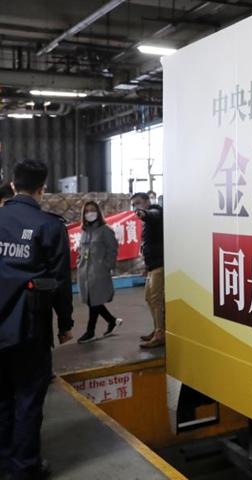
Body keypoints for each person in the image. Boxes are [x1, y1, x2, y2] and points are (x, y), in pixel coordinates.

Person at [0, 160, 74, 480]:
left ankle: (4, 463)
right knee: (28, 399)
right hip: (29, 330)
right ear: (42, 189)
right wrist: (65, 324)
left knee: (1, 399)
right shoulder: (50, 226)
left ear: (13, 185)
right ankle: (25, 468)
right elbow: (60, 281)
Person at [76, 201, 123, 344]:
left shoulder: (105, 230)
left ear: (98, 212)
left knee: (94, 300)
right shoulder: (85, 231)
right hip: (84, 272)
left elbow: (112, 250)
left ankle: (90, 331)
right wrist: (79, 262)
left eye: (93, 210)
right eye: (87, 211)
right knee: (92, 300)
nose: (90, 213)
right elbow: (81, 251)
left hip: (98, 272)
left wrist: (106, 266)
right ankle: (112, 321)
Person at [130, 192, 165, 348]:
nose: (135, 207)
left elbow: (151, 215)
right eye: (133, 205)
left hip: (159, 264)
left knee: (156, 300)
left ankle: (160, 334)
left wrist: (143, 214)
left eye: (138, 203)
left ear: (147, 201)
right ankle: (158, 329)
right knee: (149, 298)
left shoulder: (156, 212)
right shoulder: (148, 220)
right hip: (152, 265)